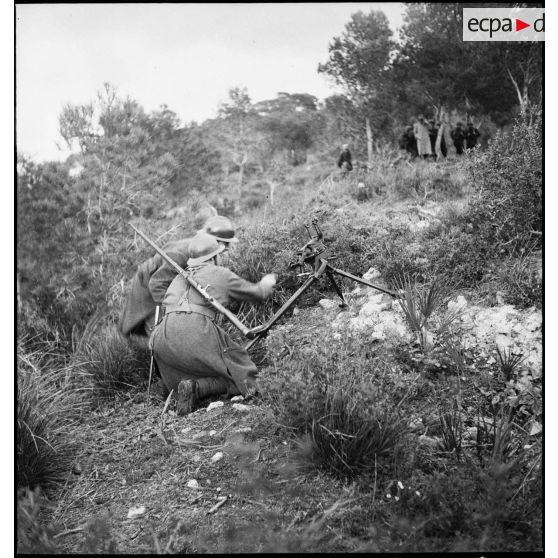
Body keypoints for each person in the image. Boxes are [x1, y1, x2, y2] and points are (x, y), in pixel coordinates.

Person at [150, 233, 277, 415]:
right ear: (213, 257)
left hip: (162, 339)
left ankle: (188, 387)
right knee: (243, 375)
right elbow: (258, 293)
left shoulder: (177, 279)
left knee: (191, 369)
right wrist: (268, 281)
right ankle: (199, 387)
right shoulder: (220, 274)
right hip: (195, 331)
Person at [118, 215, 239, 338]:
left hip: (171, 285)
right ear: (213, 240)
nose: (228, 248)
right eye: (226, 244)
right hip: (150, 289)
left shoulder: (208, 252)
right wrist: (179, 310)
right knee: (162, 335)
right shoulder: (180, 253)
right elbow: (157, 285)